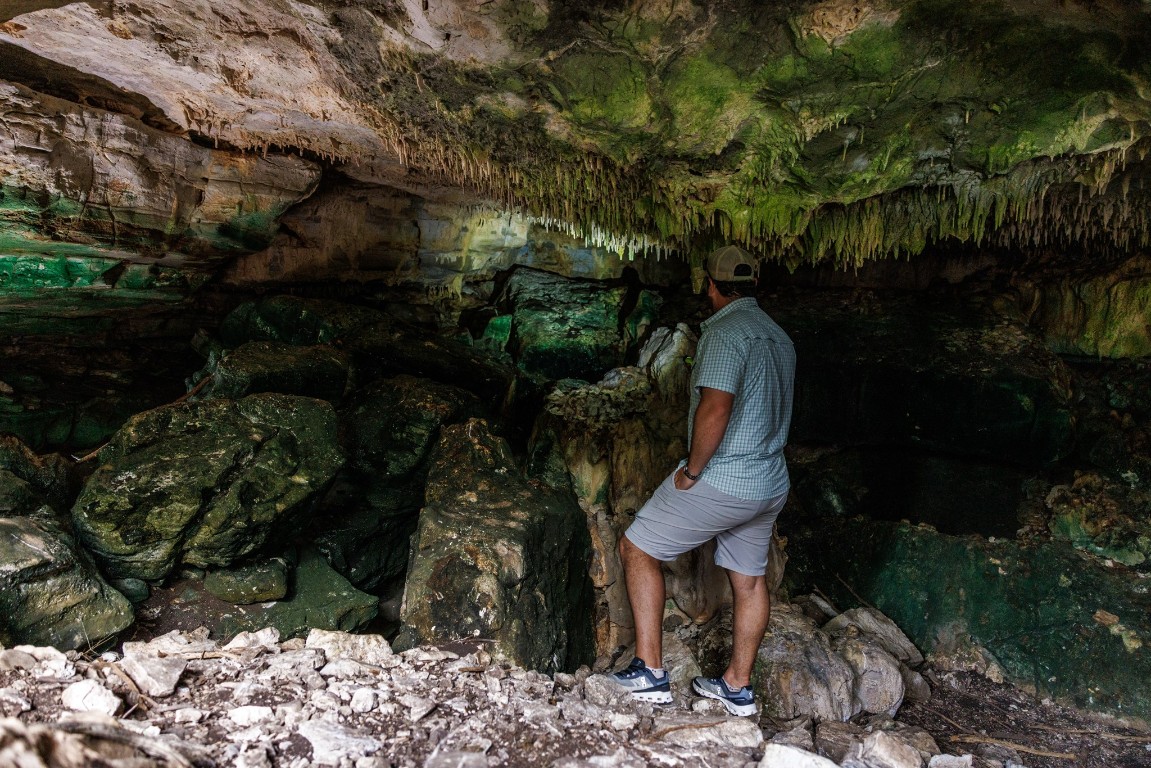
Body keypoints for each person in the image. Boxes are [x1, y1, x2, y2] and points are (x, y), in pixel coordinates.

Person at [607, 244, 795, 716]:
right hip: (769, 482)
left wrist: (692, 470)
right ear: (754, 287)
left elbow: (716, 406)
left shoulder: (724, 334)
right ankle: (737, 687)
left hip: (724, 480)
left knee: (637, 548)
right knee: (749, 581)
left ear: (710, 286)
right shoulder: (779, 337)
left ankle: (649, 671)